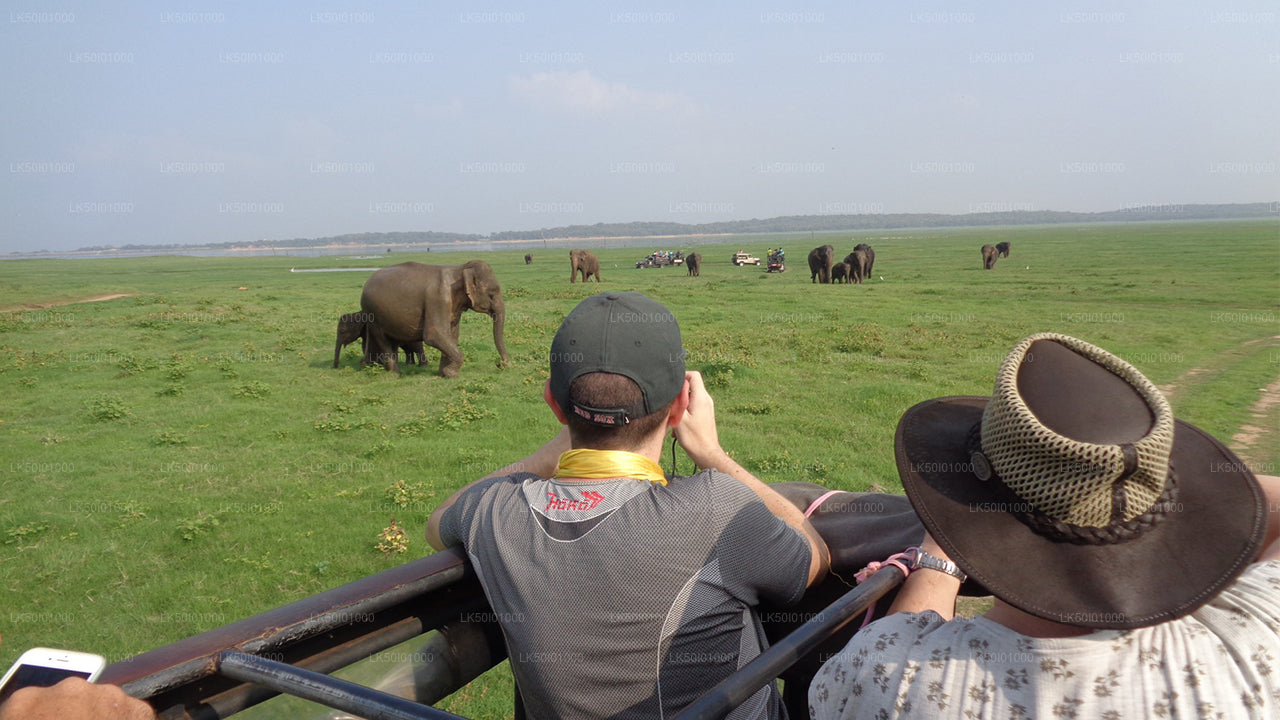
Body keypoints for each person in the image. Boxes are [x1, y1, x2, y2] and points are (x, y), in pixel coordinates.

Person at [809, 332, 1280, 719]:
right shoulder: (1253, 640)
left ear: (970, 501)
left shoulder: (889, 676)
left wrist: (939, 563)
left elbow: (899, 645)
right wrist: (1149, 482)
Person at [427, 291, 829, 720]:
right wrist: (713, 454)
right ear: (680, 406)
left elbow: (437, 523)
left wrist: (550, 453)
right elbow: (814, 557)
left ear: (553, 403)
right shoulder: (715, 506)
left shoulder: (495, 513)